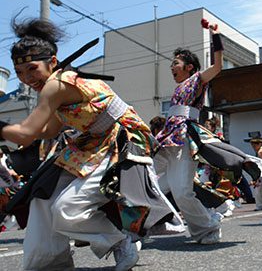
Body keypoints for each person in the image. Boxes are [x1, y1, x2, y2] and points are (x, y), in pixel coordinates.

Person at [0, 18, 175, 270]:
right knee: (42, 198)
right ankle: (50, 263)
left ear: (52, 61)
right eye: (19, 73)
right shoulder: (56, 83)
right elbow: (49, 129)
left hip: (120, 141)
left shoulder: (55, 85)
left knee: (67, 209)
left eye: (32, 69)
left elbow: (27, 133)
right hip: (92, 144)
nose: (26, 78)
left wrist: (12, 130)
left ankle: (120, 242)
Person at [154, 20, 225, 244]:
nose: (172, 68)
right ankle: (145, 224)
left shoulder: (197, 79)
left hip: (184, 137)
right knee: (146, 180)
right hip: (166, 139)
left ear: (189, 67)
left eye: (175, 63)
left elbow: (217, 67)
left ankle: (209, 226)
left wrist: (215, 36)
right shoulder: (178, 89)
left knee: (182, 191)